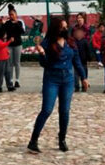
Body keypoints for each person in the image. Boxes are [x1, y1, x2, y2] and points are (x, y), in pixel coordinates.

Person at [27, 20, 88, 153]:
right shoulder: (47, 43)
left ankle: (62, 139)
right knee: (47, 109)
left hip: (68, 79)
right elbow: (44, 64)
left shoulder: (71, 43)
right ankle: (33, 140)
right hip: (52, 78)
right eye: (62, 27)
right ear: (56, 29)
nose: (64, 29)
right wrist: (42, 53)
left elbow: (77, 61)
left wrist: (84, 77)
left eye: (66, 27)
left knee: (65, 110)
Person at [1, 6, 26, 89]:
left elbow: (22, 32)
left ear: (16, 14)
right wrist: (2, 23)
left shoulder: (19, 23)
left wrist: (16, 23)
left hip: (18, 44)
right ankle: (10, 80)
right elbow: (2, 31)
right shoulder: (7, 23)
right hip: (9, 45)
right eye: (10, 14)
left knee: (17, 62)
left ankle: (17, 80)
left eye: (12, 14)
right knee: (10, 63)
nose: (11, 16)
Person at [71, 26, 92, 93]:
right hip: (75, 60)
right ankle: (76, 86)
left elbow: (88, 50)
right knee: (76, 75)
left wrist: (89, 58)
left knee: (84, 73)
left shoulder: (85, 41)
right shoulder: (73, 41)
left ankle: (84, 86)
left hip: (83, 60)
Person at [0, 27, 14, 93]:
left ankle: (9, 86)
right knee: (1, 73)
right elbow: (2, 46)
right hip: (0, 59)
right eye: (5, 34)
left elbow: (4, 47)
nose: (6, 35)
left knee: (8, 72)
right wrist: (9, 41)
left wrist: (7, 52)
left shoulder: (3, 41)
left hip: (6, 58)